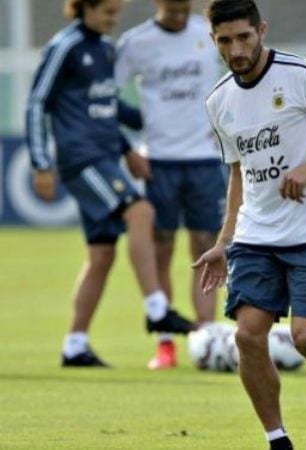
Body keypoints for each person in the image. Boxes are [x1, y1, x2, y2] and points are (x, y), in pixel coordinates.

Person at [193, 1, 306, 448]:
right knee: (248, 335)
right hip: (255, 237)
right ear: (213, 40)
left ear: (262, 31)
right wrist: (224, 241)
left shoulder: (303, 75)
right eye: (225, 41)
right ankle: (278, 440)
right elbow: (238, 172)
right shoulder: (218, 101)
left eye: (244, 37)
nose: (236, 50)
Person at [25, 0, 194, 368]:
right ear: (83, 7)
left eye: (117, 12)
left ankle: (75, 344)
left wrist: (133, 144)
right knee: (140, 211)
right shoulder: (65, 47)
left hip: (106, 156)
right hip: (82, 160)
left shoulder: (105, 49)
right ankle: (156, 308)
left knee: (102, 254)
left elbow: (107, 107)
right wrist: (41, 163)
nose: (113, 19)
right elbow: (38, 102)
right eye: (107, 12)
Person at [115, 0, 225, 370]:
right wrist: (142, 127)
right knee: (162, 247)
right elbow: (106, 96)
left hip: (205, 158)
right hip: (159, 160)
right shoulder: (136, 42)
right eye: (172, 5)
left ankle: (206, 336)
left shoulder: (206, 35)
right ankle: (166, 341)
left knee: (207, 247)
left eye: (185, 5)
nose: (179, 11)